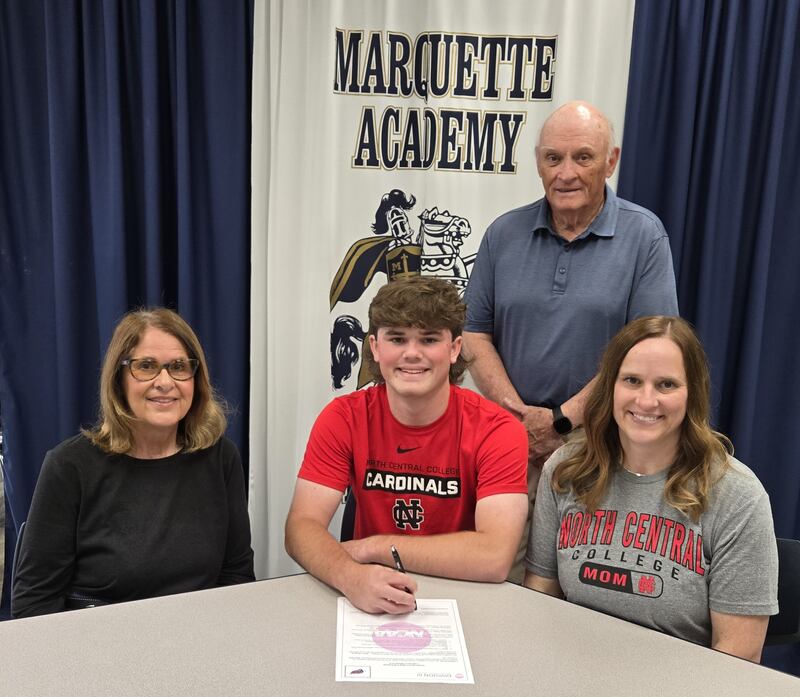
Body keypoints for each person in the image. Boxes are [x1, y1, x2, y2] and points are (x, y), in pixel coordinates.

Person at [463, 100, 679, 581]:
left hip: (599, 442)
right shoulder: (503, 233)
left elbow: (650, 352)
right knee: (501, 577)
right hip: (510, 437)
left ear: (611, 161)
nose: (565, 173)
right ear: (538, 162)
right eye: (553, 158)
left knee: (582, 580)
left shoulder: (644, 237)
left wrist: (561, 421)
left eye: (583, 157)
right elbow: (474, 332)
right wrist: (518, 419)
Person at [524, 316, 778, 662]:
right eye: (632, 380)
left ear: (693, 394)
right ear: (610, 387)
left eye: (666, 385)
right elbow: (539, 601)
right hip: (571, 670)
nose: (646, 401)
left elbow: (739, 656)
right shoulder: (567, 470)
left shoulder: (738, 496)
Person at [285, 276, 529, 614]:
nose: (412, 354)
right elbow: (301, 527)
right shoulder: (343, 417)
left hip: (464, 595)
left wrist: (374, 548)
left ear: (454, 348)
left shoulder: (498, 429)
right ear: (375, 348)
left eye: (429, 339)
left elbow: (494, 557)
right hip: (367, 590)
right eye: (397, 338)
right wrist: (349, 576)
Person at [12, 308, 255, 618]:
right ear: (118, 379)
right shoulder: (69, 467)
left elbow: (237, 576)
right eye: (146, 366)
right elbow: (34, 605)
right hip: (100, 639)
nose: (165, 382)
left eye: (179, 367)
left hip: (199, 633)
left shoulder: (220, 458)